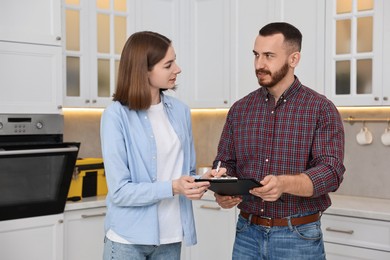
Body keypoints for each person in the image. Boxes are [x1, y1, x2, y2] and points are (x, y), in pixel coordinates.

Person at [212, 22, 345, 259]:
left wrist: (284, 184)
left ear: (293, 59)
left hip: (298, 237)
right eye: (256, 55)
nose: (259, 64)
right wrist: (222, 188)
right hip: (246, 233)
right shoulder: (240, 109)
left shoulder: (321, 109)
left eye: (269, 56)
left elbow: (330, 172)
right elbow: (225, 163)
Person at [100, 31, 212, 260]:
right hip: (127, 241)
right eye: (168, 64)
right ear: (144, 70)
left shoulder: (181, 111)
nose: (177, 69)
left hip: (171, 238)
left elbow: (186, 174)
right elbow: (120, 192)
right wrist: (173, 187)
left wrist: (203, 181)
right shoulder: (115, 116)